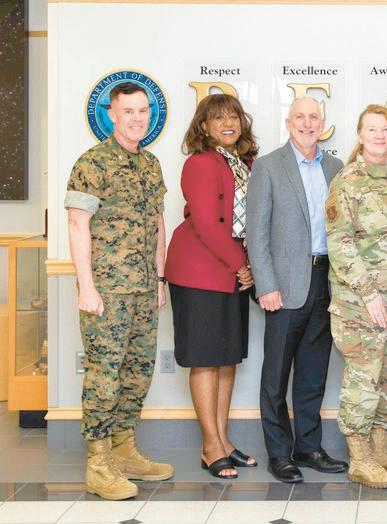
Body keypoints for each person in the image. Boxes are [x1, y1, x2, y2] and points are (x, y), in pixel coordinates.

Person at [64, 82, 174, 500]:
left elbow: (158, 224)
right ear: (112, 115)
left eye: (143, 111)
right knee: (104, 375)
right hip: (107, 292)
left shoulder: (151, 164)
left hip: (144, 289)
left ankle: (124, 452)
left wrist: (159, 280)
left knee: (137, 372)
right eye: (129, 111)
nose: (137, 118)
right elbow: (77, 225)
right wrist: (86, 287)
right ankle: (98, 464)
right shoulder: (92, 163)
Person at [246, 96, 347, 483]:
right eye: (300, 117)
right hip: (284, 287)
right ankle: (279, 454)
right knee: (276, 375)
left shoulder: (335, 167)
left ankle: (308, 447)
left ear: (322, 123)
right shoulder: (268, 167)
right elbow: (256, 233)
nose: (307, 123)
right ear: (288, 122)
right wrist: (266, 285)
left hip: (326, 282)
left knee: (313, 372)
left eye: (314, 117)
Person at [164, 94, 258, 479]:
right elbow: (206, 223)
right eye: (218, 118)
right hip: (199, 271)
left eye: (233, 116)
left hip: (231, 271)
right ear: (204, 126)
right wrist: (242, 266)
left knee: (227, 356)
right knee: (206, 357)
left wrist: (246, 266)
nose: (228, 123)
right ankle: (209, 446)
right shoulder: (199, 163)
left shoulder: (244, 162)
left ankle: (223, 439)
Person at [327, 105, 387, 489]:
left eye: (386, 129)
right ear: (361, 135)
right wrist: (368, 293)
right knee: (364, 377)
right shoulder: (347, 181)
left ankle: (382, 448)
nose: (380, 135)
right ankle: (360, 458)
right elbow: (339, 242)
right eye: (372, 129)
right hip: (360, 300)